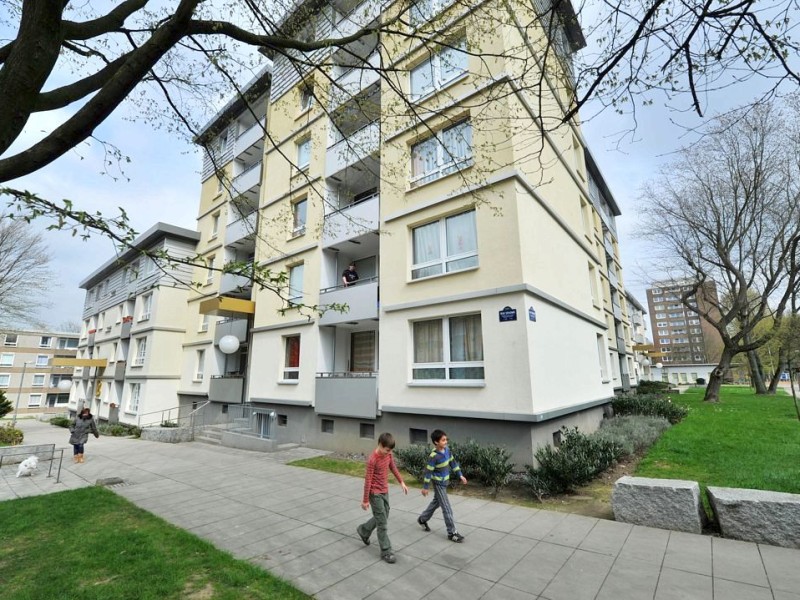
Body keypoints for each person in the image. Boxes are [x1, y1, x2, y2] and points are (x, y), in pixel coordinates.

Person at [356, 432, 409, 563]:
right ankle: (386, 551)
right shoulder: (372, 460)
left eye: (390, 451)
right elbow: (368, 480)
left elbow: (393, 467)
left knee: (384, 515)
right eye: (387, 450)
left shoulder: (388, 455)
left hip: (384, 490)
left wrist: (401, 482)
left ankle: (364, 530)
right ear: (380, 445)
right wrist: (365, 500)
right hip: (375, 493)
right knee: (382, 523)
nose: (389, 453)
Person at [417, 429, 468, 542]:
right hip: (438, 484)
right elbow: (428, 472)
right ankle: (452, 533)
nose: (446, 442)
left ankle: (422, 519)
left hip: (445, 483)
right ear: (436, 442)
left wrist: (460, 475)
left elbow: (453, 463)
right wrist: (425, 487)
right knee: (447, 508)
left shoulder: (447, 451)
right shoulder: (433, 456)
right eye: (443, 440)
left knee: (436, 502)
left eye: (446, 439)